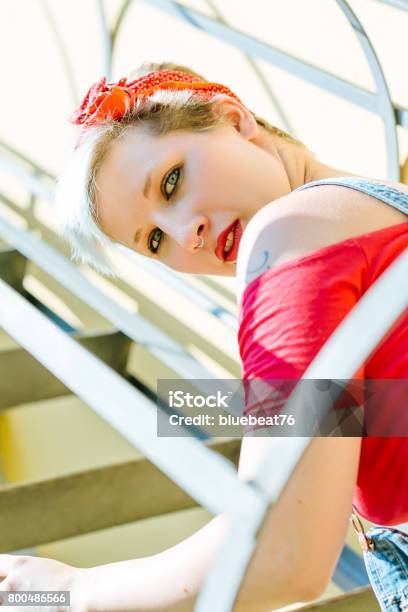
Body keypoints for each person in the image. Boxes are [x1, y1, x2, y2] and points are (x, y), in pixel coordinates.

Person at [1, 62, 406, 612]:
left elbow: (282, 550)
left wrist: (74, 592)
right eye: (152, 241)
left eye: (171, 181)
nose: (184, 235)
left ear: (234, 119)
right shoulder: (374, 209)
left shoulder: (289, 236)